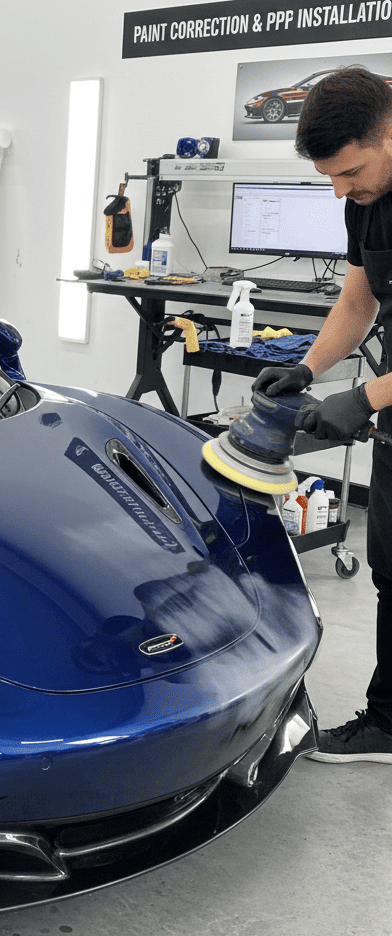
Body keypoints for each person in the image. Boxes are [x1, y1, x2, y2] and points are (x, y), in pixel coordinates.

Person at [253, 66, 392, 764]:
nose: (341, 189)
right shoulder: (365, 200)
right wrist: (310, 368)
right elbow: (357, 303)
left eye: (351, 171)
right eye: (330, 178)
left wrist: (366, 397)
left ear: (389, 131)